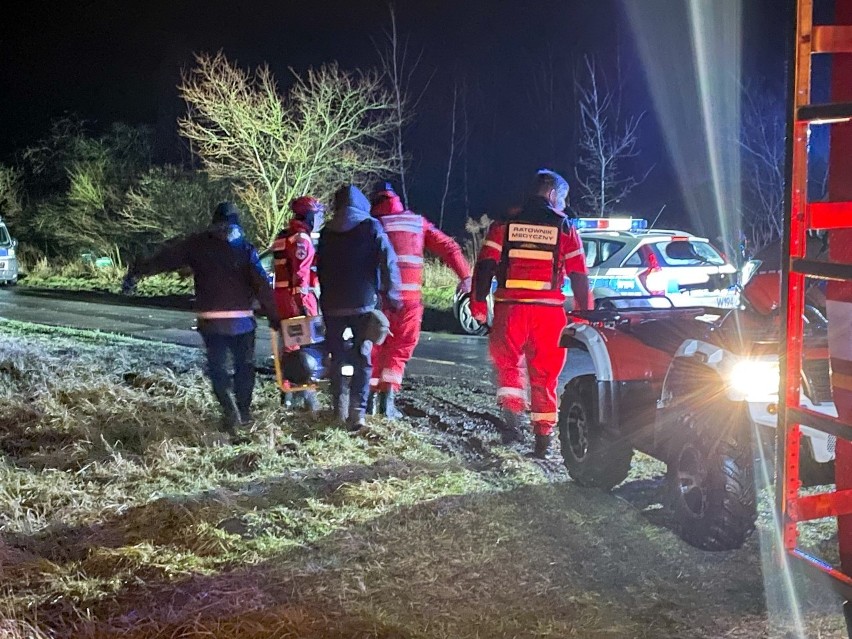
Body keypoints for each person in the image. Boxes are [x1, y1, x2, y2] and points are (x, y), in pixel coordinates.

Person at [122, 202, 280, 437]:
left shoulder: (197, 245)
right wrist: (275, 314)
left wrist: (137, 272)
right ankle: (243, 414)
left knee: (218, 370)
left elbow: (166, 259)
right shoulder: (245, 248)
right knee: (245, 369)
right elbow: (261, 284)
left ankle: (230, 411)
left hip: (211, 320)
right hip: (242, 321)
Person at [469, 170, 591, 459]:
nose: (563, 204)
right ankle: (542, 441)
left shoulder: (504, 224)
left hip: (510, 310)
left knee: (509, 367)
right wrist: (584, 316)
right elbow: (579, 275)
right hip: (549, 315)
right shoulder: (565, 228)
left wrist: (477, 305)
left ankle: (512, 426)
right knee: (545, 376)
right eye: (562, 198)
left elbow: (485, 266)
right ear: (552, 194)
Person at [369, 183, 472, 417]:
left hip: (378, 301)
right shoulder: (416, 222)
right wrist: (465, 276)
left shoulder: (371, 225)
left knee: (374, 347)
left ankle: (369, 402)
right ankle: (388, 401)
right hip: (409, 300)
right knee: (400, 348)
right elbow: (449, 246)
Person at [317, 185, 402, 430]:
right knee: (362, 357)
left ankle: (338, 411)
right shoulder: (371, 227)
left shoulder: (326, 233)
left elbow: (320, 268)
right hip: (363, 304)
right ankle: (357, 415)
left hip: (333, 306)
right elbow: (388, 260)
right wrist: (392, 296)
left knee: (337, 356)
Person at [271, 196, 324, 412]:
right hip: (297, 301)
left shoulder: (283, 236)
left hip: (282, 299)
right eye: (318, 215)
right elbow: (301, 276)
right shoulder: (301, 238)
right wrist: (305, 309)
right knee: (305, 352)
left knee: (288, 349)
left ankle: (287, 397)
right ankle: (307, 399)